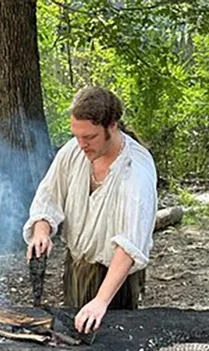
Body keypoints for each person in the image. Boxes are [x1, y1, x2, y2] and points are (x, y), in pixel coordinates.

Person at [23, 87, 157, 334]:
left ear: (112, 126)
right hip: (76, 267)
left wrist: (101, 301)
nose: (81, 144)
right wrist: (42, 230)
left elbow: (129, 246)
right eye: (77, 135)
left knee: (111, 345)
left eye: (90, 137)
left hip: (116, 277)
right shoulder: (73, 151)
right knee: (73, 338)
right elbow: (48, 196)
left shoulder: (135, 172)